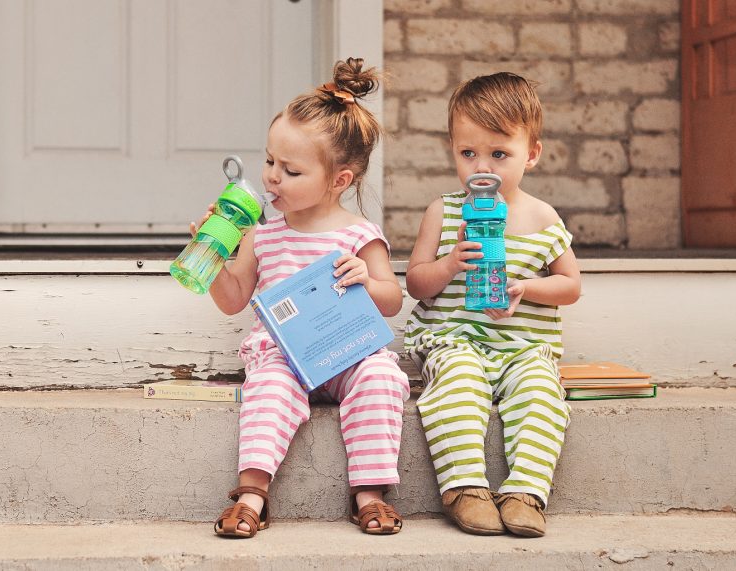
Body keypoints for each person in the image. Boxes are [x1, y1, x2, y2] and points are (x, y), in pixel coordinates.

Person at [203, 57, 410, 538]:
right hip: (285, 357)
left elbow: (392, 299)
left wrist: (366, 278)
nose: (273, 177)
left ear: (340, 180)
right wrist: (212, 256)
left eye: (291, 170)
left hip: (346, 353)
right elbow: (234, 298)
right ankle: (251, 496)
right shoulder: (262, 234)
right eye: (270, 161)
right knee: (269, 389)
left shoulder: (359, 234)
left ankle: (371, 495)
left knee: (381, 375)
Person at [404, 72, 581, 538]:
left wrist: (526, 288)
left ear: (532, 154)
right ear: (454, 151)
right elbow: (417, 284)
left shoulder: (543, 217)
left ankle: (525, 492)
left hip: (523, 349)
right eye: (468, 153)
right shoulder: (444, 212)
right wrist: (448, 264)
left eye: (499, 154)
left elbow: (570, 286)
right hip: (455, 341)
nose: (482, 166)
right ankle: (464, 487)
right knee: (457, 386)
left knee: (543, 393)